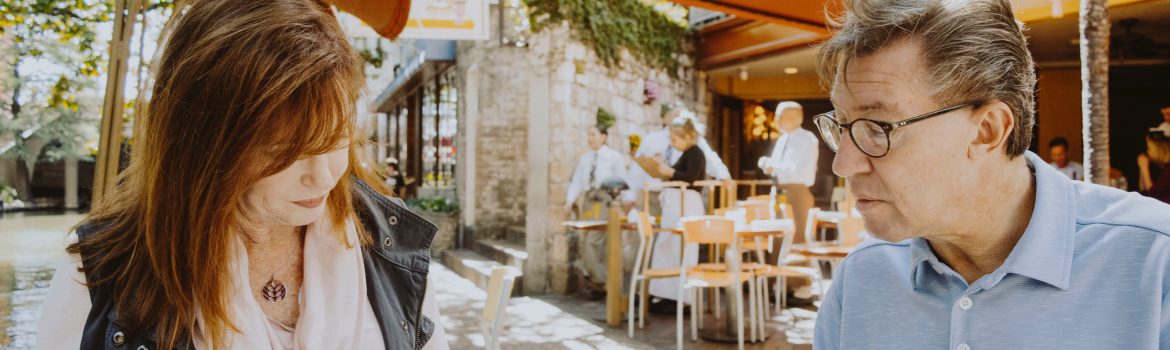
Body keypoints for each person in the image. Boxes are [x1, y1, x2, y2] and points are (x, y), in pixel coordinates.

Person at [35, 1, 448, 349]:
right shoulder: (102, 270)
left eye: (337, 140)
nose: (322, 177)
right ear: (204, 143)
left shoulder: (395, 248)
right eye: (286, 152)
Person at [810, 0, 1170, 349]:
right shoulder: (862, 277)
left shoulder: (1156, 262)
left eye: (878, 127)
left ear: (987, 131)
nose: (843, 164)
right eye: (843, 125)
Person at [645, 115, 707, 306]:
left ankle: (681, 295)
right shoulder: (685, 154)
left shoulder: (696, 153)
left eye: (675, 139)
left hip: (685, 203)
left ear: (688, 136)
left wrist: (668, 171)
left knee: (681, 248)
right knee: (668, 246)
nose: (672, 143)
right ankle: (665, 292)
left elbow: (690, 178)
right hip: (676, 203)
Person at [565, 124, 630, 287]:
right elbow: (577, 181)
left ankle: (601, 280)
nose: (590, 138)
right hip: (589, 202)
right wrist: (569, 200)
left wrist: (628, 201)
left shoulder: (613, 157)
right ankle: (598, 281)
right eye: (588, 135)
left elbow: (623, 179)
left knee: (595, 240)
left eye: (593, 135)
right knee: (587, 238)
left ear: (603, 137)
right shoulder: (585, 159)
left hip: (604, 201)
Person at [762, 101, 820, 250]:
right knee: (777, 234)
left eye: (780, 116)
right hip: (780, 191)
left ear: (796, 118)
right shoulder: (782, 139)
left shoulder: (806, 139)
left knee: (797, 237)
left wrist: (771, 166)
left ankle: (796, 273)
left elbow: (798, 172)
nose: (776, 120)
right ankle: (776, 271)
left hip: (796, 193)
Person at [1138, 129, 1170, 204]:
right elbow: (1144, 192)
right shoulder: (1161, 168)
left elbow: (1153, 195)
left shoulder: (1168, 171)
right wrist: (1142, 170)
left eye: (1149, 149)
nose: (1148, 152)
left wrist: (1144, 168)